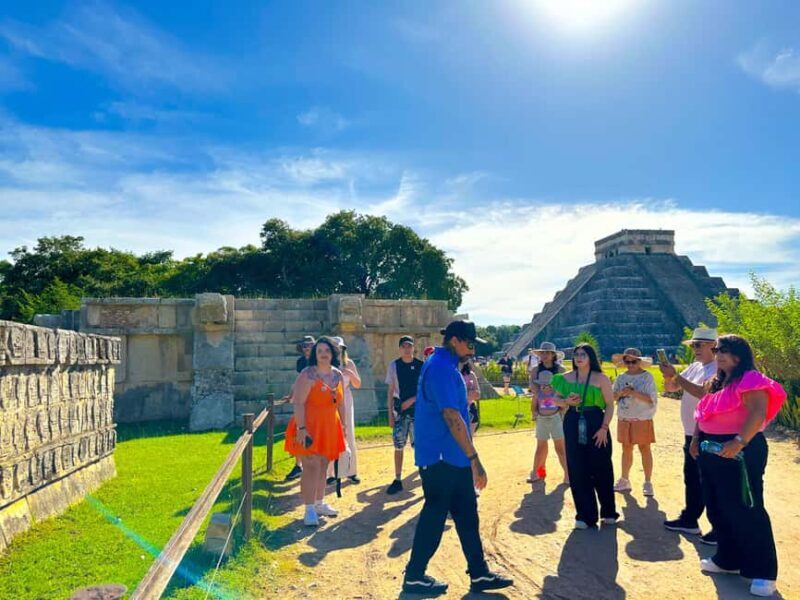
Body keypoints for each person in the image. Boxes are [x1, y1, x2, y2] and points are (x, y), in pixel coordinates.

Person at [402, 320, 513, 595]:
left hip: (448, 456)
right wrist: (475, 458)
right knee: (435, 515)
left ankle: (478, 574)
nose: (473, 351)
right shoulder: (441, 368)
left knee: (466, 515)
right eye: (471, 344)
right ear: (455, 341)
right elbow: (451, 416)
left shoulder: (443, 365)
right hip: (443, 456)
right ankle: (415, 575)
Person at [691, 334, 786, 598]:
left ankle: (763, 572)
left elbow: (757, 412)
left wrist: (740, 441)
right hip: (711, 449)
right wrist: (697, 439)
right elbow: (703, 413)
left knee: (746, 507)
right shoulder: (717, 382)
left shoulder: (750, 379)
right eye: (718, 349)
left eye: (726, 351)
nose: (719, 354)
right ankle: (728, 559)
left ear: (740, 355)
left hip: (740, 449)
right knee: (718, 505)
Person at [660, 327, 719, 543]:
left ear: (714, 346)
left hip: (709, 432)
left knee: (710, 480)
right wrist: (669, 376)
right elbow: (673, 387)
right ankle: (690, 518)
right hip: (691, 432)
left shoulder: (718, 368)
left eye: (699, 344)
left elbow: (702, 392)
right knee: (692, 478)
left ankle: (719, 527)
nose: (695, 349)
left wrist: (676, 376)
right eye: (693, 345)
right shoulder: (695, 366)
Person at [551, 343, 618, 530]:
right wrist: (566, 401)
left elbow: (610, 405)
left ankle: (608, 511)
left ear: (591, 357)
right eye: (576, 354)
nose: (579, 357)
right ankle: (585, 514)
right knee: (577, 467)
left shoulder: (601, 378)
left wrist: (604, 427)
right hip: (573, 420)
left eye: (583, 354)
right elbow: (555, 400)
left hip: (596, 421)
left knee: (601, 466)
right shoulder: (564, 378)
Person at [283, 337, 347, 526]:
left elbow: (340, 403)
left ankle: (319, 503)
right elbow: (299, 403)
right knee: (310, 467)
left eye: (327, 350)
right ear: (315, 355)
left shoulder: (338, 375)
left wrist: (342, 426)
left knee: (323, 464)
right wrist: (302, 429)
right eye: (319, 351)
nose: (323, 354)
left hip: (329, 425)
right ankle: (309, 509)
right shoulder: (307, 374)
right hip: (309, 425)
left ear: (332, 353)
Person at [611, 348, 658, 497]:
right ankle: (624, 479)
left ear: (640, 361)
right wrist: (620, 393)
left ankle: (648, 481)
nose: (630, 364)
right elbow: (613, 397)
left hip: (641, 418)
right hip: (625, 417)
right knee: (626, 449)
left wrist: (633, 392)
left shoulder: (647, 377)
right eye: (627, 361)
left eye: (634, 361)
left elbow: (651, 399)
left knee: (645, 448)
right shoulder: (620, 378)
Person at [385, 335, 423, 495]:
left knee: (419, 446)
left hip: (418, 411)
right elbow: (390, 390)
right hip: (400, 411)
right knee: (398, 445)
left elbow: (426, 388)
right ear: (400, 349)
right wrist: (390, 414)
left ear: (413, 347)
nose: (407, 349)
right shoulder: (394, 365)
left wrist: (413, 399)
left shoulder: (421, 365)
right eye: (404, 347)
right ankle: (398, 478)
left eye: (409, 346)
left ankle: (424, 475)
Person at [527, 342, 567, 484]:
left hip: (557, 413)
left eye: (547, 353)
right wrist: (541, 394)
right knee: (541, 446)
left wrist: (554, 394)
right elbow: (532, 387)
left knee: (560, 447)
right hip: (542, 412)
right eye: (542, 353)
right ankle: (539, 472)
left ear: (553, 354)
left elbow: (565, 387)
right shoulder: (535, 370)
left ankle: (568, 475)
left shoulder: (561, 370)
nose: (544, 355)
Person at [326, 336, 362, 485]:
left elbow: (358, 384)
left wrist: (349, 372)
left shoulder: (349, 363)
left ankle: (351, 471)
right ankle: (331, 473)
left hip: (346, 398)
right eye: (336, 348)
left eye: (341, 348)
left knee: (349, 434)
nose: (339, 351)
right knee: (331, 435)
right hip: (330, 400)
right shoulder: (327, 364)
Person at [284, 335, 316, 481]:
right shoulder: (301, 362)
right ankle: (299, 465)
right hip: (304, 402)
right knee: (296, 431)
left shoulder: (320, 360)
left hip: (317, 401)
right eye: (304, 346)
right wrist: (291, 395)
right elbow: (298, 381)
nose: (306, 348)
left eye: (309, 345)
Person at [462, 360, 481, 436]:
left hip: (471, 406)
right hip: (460, 408)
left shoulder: (471, 375)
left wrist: (470, 393)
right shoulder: (454, 375)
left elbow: (478, 394)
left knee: (470, 435)